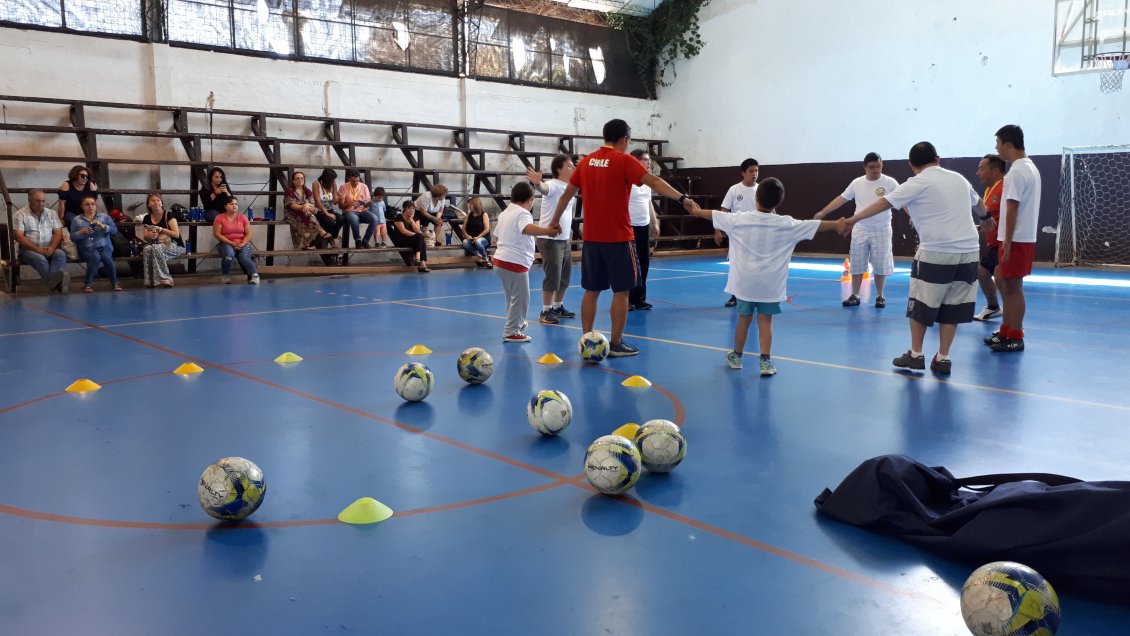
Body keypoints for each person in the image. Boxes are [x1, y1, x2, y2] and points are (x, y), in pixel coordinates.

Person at [547, 118, 697, 357]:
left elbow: (566, 196)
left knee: (591, 290)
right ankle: (615, 343)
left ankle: (587, 340)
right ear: (625, 139)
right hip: (618, 238)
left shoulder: (585, 163)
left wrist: (554, 220)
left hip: (592, 239)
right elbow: (655, 182)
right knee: (622, 291)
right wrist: (682, 198)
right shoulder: (624, 160)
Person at [845, 142, 986, 375]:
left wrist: (852, 220)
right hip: (970, 252)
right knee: (952, 306)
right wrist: (988, 218)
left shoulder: (917, 182)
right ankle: (943, 358)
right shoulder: (960, 178)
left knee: (920, 304)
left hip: (936, 251)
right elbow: (979, 203)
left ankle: (916, 354)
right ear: (937, 158)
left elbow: (883, 203)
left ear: (912, 165)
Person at [687, 178, 846, 375]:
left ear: (755, 198)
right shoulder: (787, 223)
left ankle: (736, 357)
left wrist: (694, 211)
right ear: (779, 201)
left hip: (744, 285)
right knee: (765, 322)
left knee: (743, 320)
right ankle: (765, 362)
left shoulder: (739, 219)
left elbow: (714, 215)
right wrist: (836, 224)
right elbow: (814, 225)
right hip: (770, 286)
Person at [813, 152, 899, 308]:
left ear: (882, 165)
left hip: (882, 228)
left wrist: (912, 215)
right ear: (864, 167)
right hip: (860, 228)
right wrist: (823, 212)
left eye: (878, 166)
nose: (875, 170)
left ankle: (880, 296)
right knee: (857, 262)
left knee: (880, 264)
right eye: (872, 167)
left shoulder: (890, 183)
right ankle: (855, 295)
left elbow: (903, 200)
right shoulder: (857, 183)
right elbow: (842, 198)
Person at [989, 125, 1040, 353]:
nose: (997, 148)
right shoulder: (1027, 168)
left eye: (998, 143)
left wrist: (1007, 241)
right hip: (1017, 237)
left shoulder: (1018, 172)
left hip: (1016, 238)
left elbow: (1011, 209)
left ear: (1008, 144)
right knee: (1005, 281)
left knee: (1013, 286)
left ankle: (1016, 336)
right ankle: (1006, 331)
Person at [493, 182, 561, 343]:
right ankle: (511, 331)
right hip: (514, 262)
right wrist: (547, 231)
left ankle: (517, 322)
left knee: (511, 296)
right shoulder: (523, 213)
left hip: (500, 260)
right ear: (530, 200)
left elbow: (497, 236)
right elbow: (527, 228)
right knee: (522, 297)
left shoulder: (505, 213)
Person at [527, 155, 576, 324]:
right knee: (553, 276)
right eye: (569, 166)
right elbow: (544, 188)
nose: (573, 168)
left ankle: (557, 306)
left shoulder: (570, 187)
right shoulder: (554, 185)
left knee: (564, 276)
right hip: (549, 239)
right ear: (559, 170)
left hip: (564, 239)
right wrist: (537, 183)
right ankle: (545, 310)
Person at [718, 158, 760, 307]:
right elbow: (724, 211)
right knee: (736, 266)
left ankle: (753, 295)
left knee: (755, 265)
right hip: (737, 236)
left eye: (756, 170)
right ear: (743, 173)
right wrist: (718, 229)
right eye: (751, 171)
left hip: (757, 235)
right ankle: (735, 295)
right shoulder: (734, 190)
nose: (754, 174)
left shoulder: (761, 190)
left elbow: (771, 211)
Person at [13, 189, 70, 293]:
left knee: (60, 254)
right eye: (38, 201)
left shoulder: (51, 214)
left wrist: (52, 247)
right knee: (40, 259)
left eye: (43, 201)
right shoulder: (20, 214)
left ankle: (54, 284)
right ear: (29, 200)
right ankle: (58, 285)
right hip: (27, 250)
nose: (41, 203)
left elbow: (58, 232)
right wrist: (37, 249)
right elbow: (19, 237)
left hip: (49, 247)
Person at [972, 154, 1006, 321]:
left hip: (1005, 243)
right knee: (983, 273)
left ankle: (1012, 325)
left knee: (1002, 280)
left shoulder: (1005, 187)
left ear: (995, 171)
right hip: (993, 244)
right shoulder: (988, 190)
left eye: (981, 168)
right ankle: (993, 307)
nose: (978, 173)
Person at [628, 149, 661, 311]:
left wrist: (654, 223)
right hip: (629, 227)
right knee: (630, 265)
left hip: (643, 226)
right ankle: (626, 299)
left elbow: (648, 203)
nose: (648, 163)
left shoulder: (646, 182)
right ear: (636, 161)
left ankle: (639, 298)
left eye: (649, 160)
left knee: (644, 263)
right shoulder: (627, 181)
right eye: (645, 160)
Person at [69, 195, 121, 293]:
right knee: (95, 257)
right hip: (86, 248)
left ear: (95, 205)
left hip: (105, 246)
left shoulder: (104, 217)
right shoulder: (77, 220)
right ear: (82, 206)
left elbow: (114, 231)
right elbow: (72, 237)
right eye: (87, 204)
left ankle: (115, 283)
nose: (90, 206)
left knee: (107, 257)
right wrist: (82, 232)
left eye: (92, 204)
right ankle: (88, 284)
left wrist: (103, 226)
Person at [137, 192, 184, 288]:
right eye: (153, 201)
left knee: (155, 248)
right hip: (157, 244)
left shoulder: (169, 215)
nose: (156, 202)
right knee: (147, 249)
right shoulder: (147, 218)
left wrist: (161, 229)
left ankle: (166, 278)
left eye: (158, 200)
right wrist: (151, 235)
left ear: (161, 203)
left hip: (174, 245)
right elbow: (145, 237)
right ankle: (150, 281)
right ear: (149, 204)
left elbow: (176, 234)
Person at [212, 194, 260, 284]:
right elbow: (217, 234)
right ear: (225, 206)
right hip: (225, 243)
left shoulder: (242, 217)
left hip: (242, 243)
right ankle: (225, 275)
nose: (234, 206)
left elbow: (249, 233)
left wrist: (243, 243)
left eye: (236, 204)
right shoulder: (219, 218)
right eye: (231, 204)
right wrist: (231, 243)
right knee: (229, 255)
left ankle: (255, 276)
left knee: (244, 257)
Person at [284, 171, 335, 251]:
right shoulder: (289, 191)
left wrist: (307, 205)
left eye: (302, 178)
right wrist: (304, 206)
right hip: (292, 214)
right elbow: (292, 205)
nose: (300, 180)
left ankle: (307, 243)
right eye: (297, 178)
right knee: (308, 214)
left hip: (306, 212)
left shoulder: (307, 190)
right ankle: (321, 232)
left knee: (309, 214)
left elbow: (312, 204)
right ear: (293, 181)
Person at [337, 168, 378, 248]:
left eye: (357, 180)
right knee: (354, 218)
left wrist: (368, 203)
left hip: (362, 211)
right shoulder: (343, 187)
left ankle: (365, 240)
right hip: (349, 211)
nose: (356, 183)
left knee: (375, 218)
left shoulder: (364, 186)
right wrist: (350, 203)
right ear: (348, 179)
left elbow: (369, 203)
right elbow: (340, 206)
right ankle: (357, 241)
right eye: (353, 181)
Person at [388, 201, 432, 272]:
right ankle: (422, 264)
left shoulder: (416, 218)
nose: (412, 210)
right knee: (420, 238)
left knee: (420, 239)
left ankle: (419, 260)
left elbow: (417, 230)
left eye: (413, 209)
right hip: (401, 239)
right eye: (409, 208)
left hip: (413, 239)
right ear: (405, 209)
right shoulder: (399, 217)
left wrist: (411, 220)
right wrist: (416, 235)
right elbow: (403, 231)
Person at [461, 196, 493, 268]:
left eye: (471, 205)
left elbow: (487, 229)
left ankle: (486, 260)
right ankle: (480, 255)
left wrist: (478, 237)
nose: (469, 206)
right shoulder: (468, 216)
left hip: (483, 237)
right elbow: (463, 229)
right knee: (465, 242)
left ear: (476, 205)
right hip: (472, 239)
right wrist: (467, 236)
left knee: (478, 242)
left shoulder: (484, 214)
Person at [312, 168, 343, 239]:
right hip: (320, 210)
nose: (334, 181)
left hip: (330, 209)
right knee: (330, 221)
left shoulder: (333, 184)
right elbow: (317, 201)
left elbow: (335, 202)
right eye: (332, 179)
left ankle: (332, 236)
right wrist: (327, 213)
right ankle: (334, 237)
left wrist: (339, 198)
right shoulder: (316, 184)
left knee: (341, 219)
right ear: (327, 179)